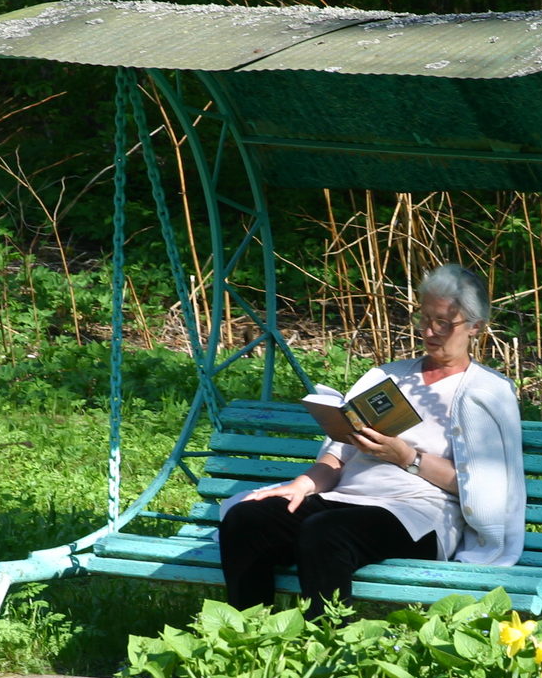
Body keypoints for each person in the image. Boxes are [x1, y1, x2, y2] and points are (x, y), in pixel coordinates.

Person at [218, 264, 525, 618]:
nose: (429, 331)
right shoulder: (386, 376)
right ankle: (247, 636)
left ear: (476, 327)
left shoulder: (486, 391)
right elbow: (337, 454)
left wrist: (406, 456)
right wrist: (301, 485)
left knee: (325, 532)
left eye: (443, 322)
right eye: (423, 318)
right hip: (346, 498)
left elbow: (482, 489)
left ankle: (327, 648)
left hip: (420, 513)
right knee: (248, 518)